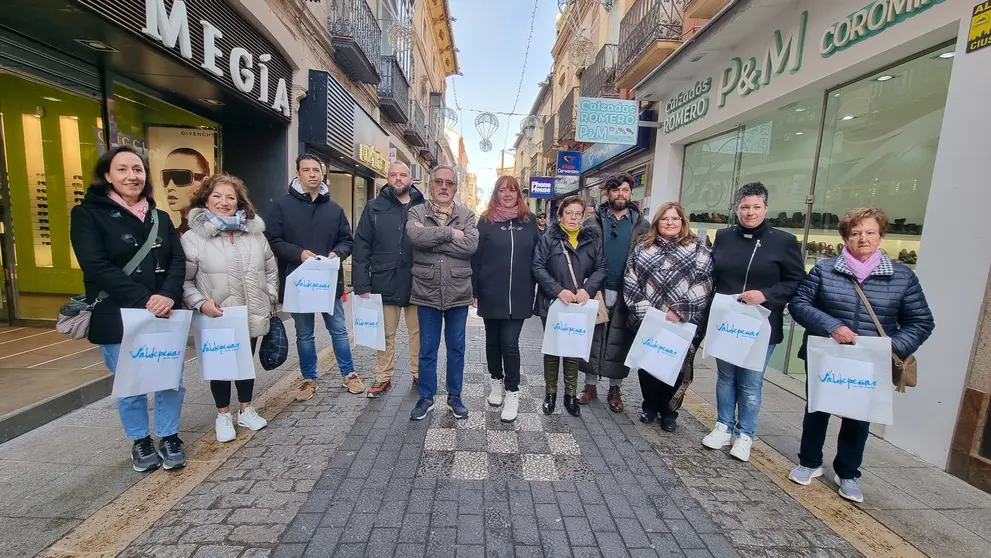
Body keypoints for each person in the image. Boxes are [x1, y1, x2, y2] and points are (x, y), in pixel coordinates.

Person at [787, 207, 934, 503]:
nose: (862, 238)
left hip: (870, 361)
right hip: (829, 354)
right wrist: (833, 326)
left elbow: (921, 322)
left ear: (881, 236)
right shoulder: (825, 269)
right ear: (846, 237)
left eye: (870, 232)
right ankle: (809, 461)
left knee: (859, 418)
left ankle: (848, 472)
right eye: (855, 233)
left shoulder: (902, 276)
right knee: (817, 409)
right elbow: (799, 304)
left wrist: (891, 347)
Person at [70, 145, 187, 472]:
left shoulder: (160, 217)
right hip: (118, 315)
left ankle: (169, 436)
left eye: (137, 169)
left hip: (164, 313)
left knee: (170, 379)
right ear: (107, 175)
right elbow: (95, 265)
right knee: (131, 384)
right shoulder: (87, 215)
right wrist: (145, 298)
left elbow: (177, 261)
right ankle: (140, 440)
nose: (131, 176)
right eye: (122, 169)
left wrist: (166, 295)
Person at [702, 181, 806, 462]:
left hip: (761, 323)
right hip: (727, 321)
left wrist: (767, 295)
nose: (750, 212)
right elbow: (712, 274)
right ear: (737, 208)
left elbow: (796, 280)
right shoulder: (723, 236)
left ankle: (745, 434)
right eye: (745, 206)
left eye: (756, 207)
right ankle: (723, 425)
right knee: (725, 377)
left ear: (766, 208)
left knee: (750, 381)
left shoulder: (783, 241)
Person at [181, 174, 278, 442]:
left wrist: (268, 295)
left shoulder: (255, 234)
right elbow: (185, 281)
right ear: (205, 199)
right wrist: (201, 304)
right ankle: (223, 414)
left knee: (245, 363)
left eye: (230, 197)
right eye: (217, 196)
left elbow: (270, 269)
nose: (224, 202)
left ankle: (246, 409)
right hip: (218, 316)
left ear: (240, 202)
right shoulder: (192, 239)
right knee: (221, 367)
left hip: (251, 312)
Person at [266, 153, 363, 401]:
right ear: (297, 173)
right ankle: (309, 378)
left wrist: (337, 253)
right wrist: (298, 254)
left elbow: (347, 240)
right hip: (300, 283)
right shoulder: (282, 206)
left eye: (316, 170)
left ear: (322, 174)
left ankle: (349, 373)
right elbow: (273, 240)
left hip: (329, 282)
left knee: (339, 330)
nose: (312, 174)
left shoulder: (334, 208)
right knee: (304, 334)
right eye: (306, 170)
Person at [624, 202, 713, 433]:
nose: (670, 223)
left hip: (681, 321)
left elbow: (704, 282)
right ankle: (649, 406)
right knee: (648, 366)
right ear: (657, 222)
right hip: (649, 319)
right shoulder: (643, 247)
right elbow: (630, 280)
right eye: (665, 219)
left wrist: (679, 311)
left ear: (683, 222)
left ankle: (669, 411)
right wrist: (648, 312)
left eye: (675, 219)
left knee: (675, 367)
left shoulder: (697, 248)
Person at [407, 166, 479, 420]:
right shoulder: (417, 211)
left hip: (458, 291)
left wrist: (433, 241)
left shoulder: (467, 215)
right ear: (431, 185)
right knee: (427, 348)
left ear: (455, 188)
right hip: (426, 291)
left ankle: (454, 396)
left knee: (456, 348)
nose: (444, 187)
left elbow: (470, 246)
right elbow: (415, 237)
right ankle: (426, 397)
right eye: (439, 182)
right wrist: (450, 233)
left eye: (449, 183)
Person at [352, 162, 426, 397]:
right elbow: (362, 244)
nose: (398, 179)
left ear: (410, 179)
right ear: (387, 178)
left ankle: (419, 373)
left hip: (417, 280)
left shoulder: (423, 207)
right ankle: (383, 376)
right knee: (385, 334)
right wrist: (361, 283)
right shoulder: (374, 206)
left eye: (403, 175)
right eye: (393, 175)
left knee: (419, 333)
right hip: (384, 279)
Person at [471, 176, 541, 423]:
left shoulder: (529, 221)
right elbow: (476, 258)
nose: (508, 194)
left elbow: (539, 255)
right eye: (503, 190)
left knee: (509, 343)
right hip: (491, 292)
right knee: (493, 342)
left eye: (512, 190)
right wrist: (475, 290)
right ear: (496, 194)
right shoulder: (486, 221)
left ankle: (512, 391)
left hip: (520, 294)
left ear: (518, 195)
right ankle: (496, 382)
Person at [580, 173, 650, 412]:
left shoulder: (642, 224)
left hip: (628, 291)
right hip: (597, 289)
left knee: (621, 340)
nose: (621, 194)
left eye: (625, 190)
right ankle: (589, 385)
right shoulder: (592, 222)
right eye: (616, 190)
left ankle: (615, 388)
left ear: (631, 193)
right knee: (593, 337)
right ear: (607, 193)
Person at [532, 196, 607, 417]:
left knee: (573, 349)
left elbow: (602, 268)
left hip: (579, 304)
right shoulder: (549, 238)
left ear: (582, 217)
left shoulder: (592, 240)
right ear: (561, 215)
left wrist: (588, 290)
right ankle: (551, 394)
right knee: (553, 349)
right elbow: (537, 266)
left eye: (578, 214)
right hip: (554, 303)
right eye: (569, 213)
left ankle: (570, 395)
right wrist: (557, 289)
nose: (573, 218)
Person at [162, 147, 210, 235]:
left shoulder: (217, 229)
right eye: (166, 178)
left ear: (204, 182)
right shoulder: (170, 235)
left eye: (181, 177)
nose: (170, 186)